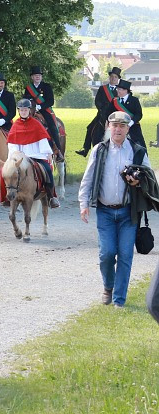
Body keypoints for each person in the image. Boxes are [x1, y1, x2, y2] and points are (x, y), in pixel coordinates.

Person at [78, 111, 150, 308]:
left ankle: (119, 300)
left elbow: (150, 178)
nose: (118, 129)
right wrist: (84, 204)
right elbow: (88, 178)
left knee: (125, 255)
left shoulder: (138, 151)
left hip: (129, 212)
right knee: (107, 254)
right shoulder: (99, 150)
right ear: (108, 127)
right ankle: (108, 286)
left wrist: (139, 180)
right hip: (105, 211)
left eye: (122, 126)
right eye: (114, 125)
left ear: (128, 129)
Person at [3, 99, 60, 208]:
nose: (23, 112)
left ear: (29, 110)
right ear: (18, 111)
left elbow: (43, 139)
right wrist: (15, 154)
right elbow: (11, 143)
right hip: (21, 158)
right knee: (4, 171)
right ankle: (5, 197)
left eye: (25, 110)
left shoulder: (36, 124)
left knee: (47, 170)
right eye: (21, 110)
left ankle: (51, 196)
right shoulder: (15, 125)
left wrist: (47, 152)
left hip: (36, 155)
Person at [79, 68, 121, 157]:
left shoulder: (120, 90)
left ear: (118, 79)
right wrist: (101, 109)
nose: (113, 78)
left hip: (116, 115)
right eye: (112, 77)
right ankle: (85, 149)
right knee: (90, 127)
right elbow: (97, 100)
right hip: (102, 113)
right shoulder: (103, 88)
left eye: (115, 77)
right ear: (109, 78)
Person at [23, 66, 60, 152]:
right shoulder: (28, 88)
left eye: (39, 75)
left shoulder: (47, 86)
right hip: (31, 111)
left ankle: (58, 150)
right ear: (32, 77)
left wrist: (40, 106)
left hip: (44, 110)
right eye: (35, 75)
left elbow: (51, 102)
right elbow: (25, 100)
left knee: (52, 127)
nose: (37, 77)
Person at [110, 79, 145, 148]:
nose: (117, 90)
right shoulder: (114, 101)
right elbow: (109, 113)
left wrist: (130, 123)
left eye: (119, 89)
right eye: (117, 88)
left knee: (140, 147)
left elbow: (139, 114)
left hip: (133, 127)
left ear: (125, 90)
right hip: (118, 128)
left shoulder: (134, 100)